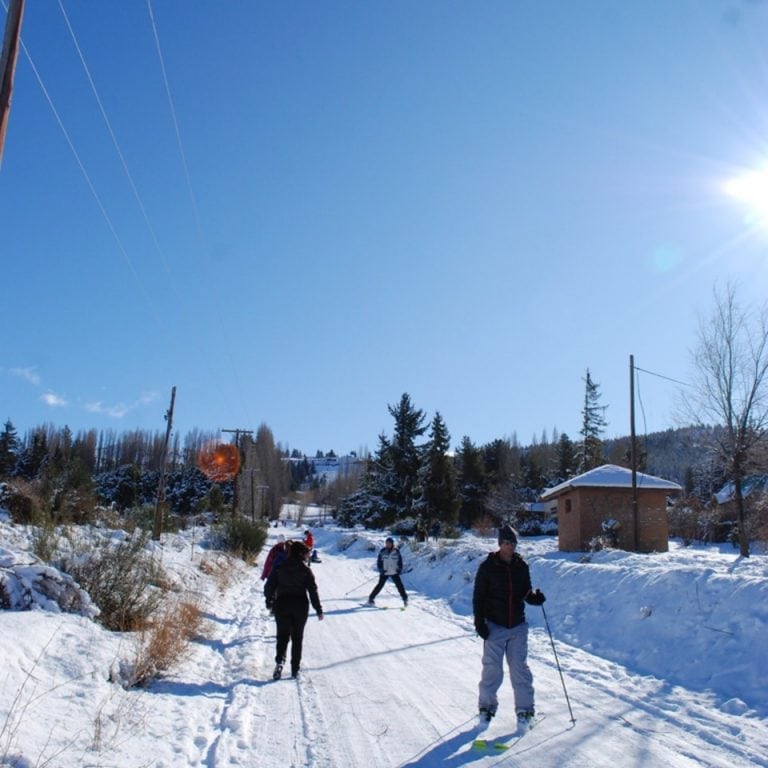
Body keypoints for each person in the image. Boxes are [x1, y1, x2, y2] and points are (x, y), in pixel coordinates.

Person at [472, 524, 546, 730]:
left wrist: (535, 598)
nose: (509, 547)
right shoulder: (487, 567)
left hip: (517, 626)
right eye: (506, 543)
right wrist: (479, 622)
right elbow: (478, 597)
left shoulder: (521, 566)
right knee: (492, 669)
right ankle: (486, 708)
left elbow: (526, 593)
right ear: (499, 544)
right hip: (494, 624)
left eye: (512, 543)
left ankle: (525, 711)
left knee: (519, 669)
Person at [264, 542, 323, 680]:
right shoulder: (306, 570)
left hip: (282, 604)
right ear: (301, 554)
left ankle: (280, 662)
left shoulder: (279, 567)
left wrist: (270, 601)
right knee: (297, 637)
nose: (309, 555)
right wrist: (318, 609)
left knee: (282, 636)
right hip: (300, 606)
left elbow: (268, 587)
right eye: (307, 553)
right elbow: (313, 591)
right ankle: (295, 668)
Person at [367, 537, 408, 607]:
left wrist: (399, 569)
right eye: (387, 543)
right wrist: (381, 570)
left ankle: (405, 599)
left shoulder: (396, 551)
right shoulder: (382, 551)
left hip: (394, 571)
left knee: (399, 585)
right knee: (380, 585)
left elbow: (400, 561)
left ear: (392, 544)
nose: (388, 544)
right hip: (384, 572)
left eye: (389, 543)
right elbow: (379, 562)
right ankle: (371, 598)